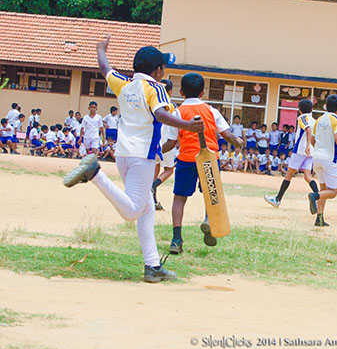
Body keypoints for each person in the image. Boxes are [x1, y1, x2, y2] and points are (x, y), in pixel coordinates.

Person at [63, 36, 204, 283]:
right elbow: (160, 113)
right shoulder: (156, 88)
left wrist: (100, 49)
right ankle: (95, 174)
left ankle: (153, 266)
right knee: (132, 212)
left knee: (147, 209)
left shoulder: (124, 84)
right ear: (158, 70)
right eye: (163, 68)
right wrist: (186, 125)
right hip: (143, 155)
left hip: (124, 154)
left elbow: (105, 69)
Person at [164, 72, 242, 255]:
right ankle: (209, 220)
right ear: (202, 93)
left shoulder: (178, 113)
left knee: (180, 198)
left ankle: (176, 238)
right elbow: (227, 135)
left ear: (181, 92)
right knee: (211, 195)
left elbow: (171, 142)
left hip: (186, 159)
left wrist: (156, 152)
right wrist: (238, 142)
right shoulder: (211, 111)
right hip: (209, 160)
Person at [264, 99, 319, 209]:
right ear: (312, 109)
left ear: (299, 110)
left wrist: (307, 145)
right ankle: (318, 197)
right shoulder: (314, 120)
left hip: (300, 150)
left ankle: (277, 199)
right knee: (308, 176)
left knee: (288, 175)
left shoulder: (301, 118)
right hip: (310, 152)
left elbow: (308, 130)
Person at [309, 94, 337, 227]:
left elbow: (312, 140)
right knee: (332, 192)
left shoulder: (319, 119)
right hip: (329, 158)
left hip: (316, 158)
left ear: (326, 106)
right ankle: (314, 196)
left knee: (323, 189)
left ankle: (319, 218)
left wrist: (319, 150)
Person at [152, 79, 178, 211]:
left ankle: (153, 199)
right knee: (169, 169)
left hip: (155, 138)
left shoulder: (154, 102)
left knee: (155, 169)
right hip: (167, 139)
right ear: (170, 91)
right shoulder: (171, 105)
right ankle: (153, 186)